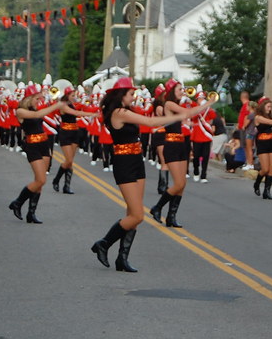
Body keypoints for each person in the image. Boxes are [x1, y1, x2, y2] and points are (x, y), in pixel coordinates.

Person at [90, 78, 211, 272]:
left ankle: (122, 258)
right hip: (124, 163)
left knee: (132, 213)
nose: (134, 96)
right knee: (138, 215)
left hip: (136, 161)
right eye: (130, 94)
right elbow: (151, 121)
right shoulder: (119, 112)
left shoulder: (128, 111)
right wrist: (179, 116)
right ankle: (104, 243)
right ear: (121, 95)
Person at [8, 85, 66, 224]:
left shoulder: (35, 108)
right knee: (40, 180)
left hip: (43, 144)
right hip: (32, 145)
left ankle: (31, 213)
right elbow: (36, 116)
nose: (38, 101)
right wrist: (56, 105)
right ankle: (18, 202)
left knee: (40, 182)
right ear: (29, 98)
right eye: (37, 98)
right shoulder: (21, 111)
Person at [149, 80, 198, 228]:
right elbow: (187, 113)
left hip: (181, 144)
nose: (182, 91)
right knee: (179, 183)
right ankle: (157, 207)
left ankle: (171, 217)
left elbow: (185, 116)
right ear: (171, 91)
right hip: (171, 144)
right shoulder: (169, 104)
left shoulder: (178, 105)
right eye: (179, 89)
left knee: (182, 184)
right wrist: (206, 103)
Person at [50, 83, 98, 194]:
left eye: (74, 94)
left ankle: (66, 186)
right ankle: (56, 180)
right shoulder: (62, 105)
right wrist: (91, 114)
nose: (74, 96)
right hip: (65, 133)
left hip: (74, 132)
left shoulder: (73, 104)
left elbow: (80, 109)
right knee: (68, 160)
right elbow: (76, 113)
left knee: (70, 162)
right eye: (72, 95)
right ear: (67, 95)